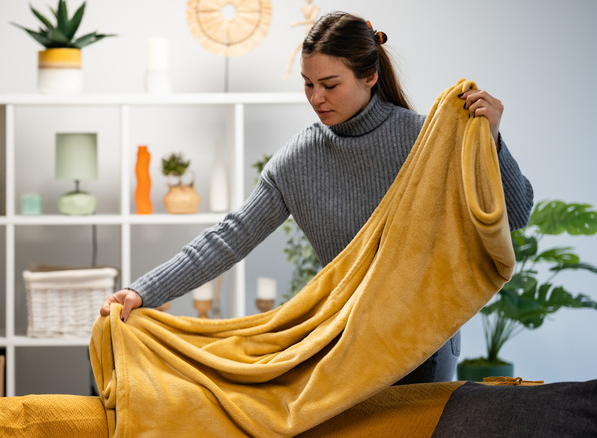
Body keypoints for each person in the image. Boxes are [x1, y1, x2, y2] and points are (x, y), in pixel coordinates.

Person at [100, 11, 534, 384]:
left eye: (329, 84)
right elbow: (229, 237)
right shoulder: (299, 159)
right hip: (343, 342)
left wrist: (492, 141)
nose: (316, 98)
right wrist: (143, 291)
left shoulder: (427, 139)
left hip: (425, 345)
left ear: (370, 75)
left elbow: (514, 215)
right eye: (308, 84)